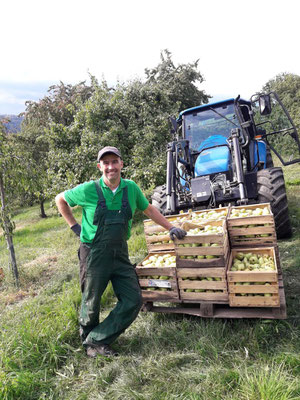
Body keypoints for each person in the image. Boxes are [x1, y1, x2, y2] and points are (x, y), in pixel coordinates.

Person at [55, 146, 186, 358]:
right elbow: (60, 199)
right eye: (105, 163)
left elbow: (149, 209)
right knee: (92, 299)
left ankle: (97, 338)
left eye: (114, 162)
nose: (110, 167)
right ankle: (91, 345)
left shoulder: (130, 188)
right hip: (94, 254)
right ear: (100, 167)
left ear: (121, 164)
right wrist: (74, 227)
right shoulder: (89, 189)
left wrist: (170, 227)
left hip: (120, 253)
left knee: (133, 299)